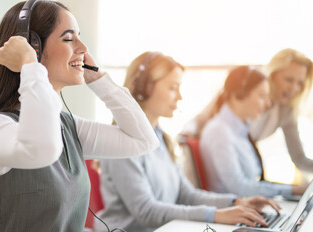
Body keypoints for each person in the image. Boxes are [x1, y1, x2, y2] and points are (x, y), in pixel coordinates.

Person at [0, 0, 159, 232]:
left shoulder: (66, 126)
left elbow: (143, 141)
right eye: (68, 38)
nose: (83, 49)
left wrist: (98, 80)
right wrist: (29, 66)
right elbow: (42, 149)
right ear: (34, 47)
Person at [95, 52, 281, 232]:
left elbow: (186, 195)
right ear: (146, 88)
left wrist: (235, 202)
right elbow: (146, 211)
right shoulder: (121, 141)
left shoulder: (160, 139)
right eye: (172, 87)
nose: (179, 96)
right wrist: (216, 215)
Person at [190, 48, 313, 174]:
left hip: (242, 164)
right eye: (288, 79)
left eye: (300, 83)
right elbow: (200, 119)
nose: (293, 88)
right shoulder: (244, 87)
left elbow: (299, 158)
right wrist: (188, 132)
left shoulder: (286, 112)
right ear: (272, 74)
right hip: (213, 159)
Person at [200, 66, 308, 198]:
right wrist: (294, 190)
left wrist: (294, 189)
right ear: (239, 94)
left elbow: (253, 183)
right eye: (262, 96)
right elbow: (239, 188)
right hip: (234, 212)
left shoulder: (240, 132)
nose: (268, 104)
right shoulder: (219, 132)